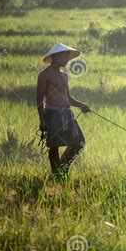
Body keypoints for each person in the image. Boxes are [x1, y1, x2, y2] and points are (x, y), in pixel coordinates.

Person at [36, 43, 90, 178]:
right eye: (65, 57)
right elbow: (39, 99)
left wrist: (81, 105)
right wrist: (42, 120)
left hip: (66, 114)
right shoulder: (44, 75)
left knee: (79, 143)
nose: (67, 60)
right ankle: (57, 173)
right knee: (54, 146)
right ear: (57, 56)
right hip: (52, 113)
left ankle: (62, 169)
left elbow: (68, 97)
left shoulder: (64, 76)